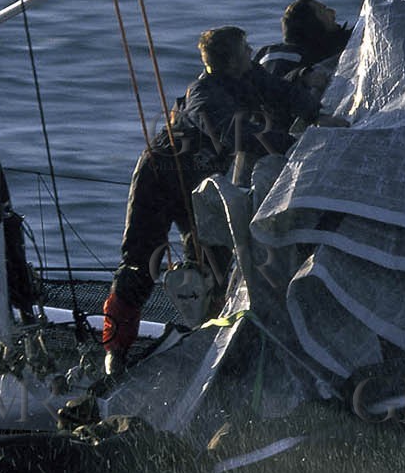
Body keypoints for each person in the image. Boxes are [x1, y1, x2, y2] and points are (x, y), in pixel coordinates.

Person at [100, 26, 321, 375]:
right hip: (160, 178)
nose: (252, 53)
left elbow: (281, 91)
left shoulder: (248, 76)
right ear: (232, 61)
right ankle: (116, 351)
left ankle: (205, 343)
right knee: (141, 266)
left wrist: (317, 114)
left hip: (199, 185)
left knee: (213, 267)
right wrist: (296, 146)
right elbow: (236, 134)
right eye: (246, 50)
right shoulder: (203, 95)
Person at [256, 0, 351, 85]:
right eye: (323, 10)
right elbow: (274, 85)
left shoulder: (265, 51)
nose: (332, 12)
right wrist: (302, 76)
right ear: (313, 23)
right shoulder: (286, 54)